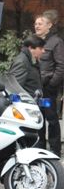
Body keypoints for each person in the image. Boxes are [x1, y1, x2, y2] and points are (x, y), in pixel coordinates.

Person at [35, 12, 63, 155]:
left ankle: (54, 151)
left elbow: (61, 66)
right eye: (36, 24)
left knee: (51, 119)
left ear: (49, 26)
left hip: (48, 89)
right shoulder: (34, 42)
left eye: (40, 24)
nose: (36, 26)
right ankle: (39, 150)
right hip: (35, 90)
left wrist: (51, 85)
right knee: (37, 119)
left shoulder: (56, 42)